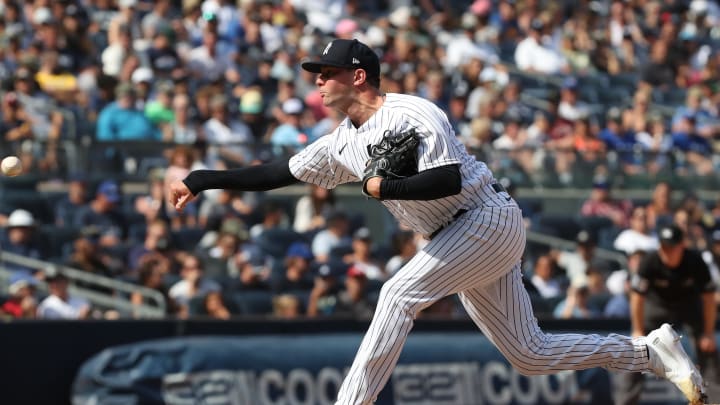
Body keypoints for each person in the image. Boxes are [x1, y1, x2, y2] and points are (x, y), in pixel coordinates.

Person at [168, 38, 707, 404]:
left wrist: (386, 186)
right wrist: (203, 179)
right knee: (530, 354)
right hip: (452, 238)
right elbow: (272, 173)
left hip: (484, 217)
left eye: (325, 74)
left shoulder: (414, 113)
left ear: (358, 76)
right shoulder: (341, 143)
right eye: (316, 75)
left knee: (396, 295)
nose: (317, 83)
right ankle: (648, 351)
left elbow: (448, 179)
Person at [615, 224, 720, 404]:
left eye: (671, 247)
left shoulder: (695, 261)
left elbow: (709, 298)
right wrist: (638, 330)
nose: (667, 251)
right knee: (637, 348)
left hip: (688, 306)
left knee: (708, 348)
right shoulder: (650, 261)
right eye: (663, 246)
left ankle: (716, 401)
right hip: (657, 306)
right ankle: (625, 401)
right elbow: (637, 298)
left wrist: (708, 332)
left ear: (682, 246)